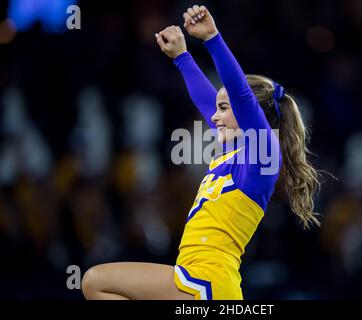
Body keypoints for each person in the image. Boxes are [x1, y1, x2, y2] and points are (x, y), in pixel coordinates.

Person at [81, 5, 319, 300]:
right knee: (96, 283)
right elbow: (208, 102)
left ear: (249, 115)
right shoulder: (233, 153)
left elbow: (241, 95)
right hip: (199, 281)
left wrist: (213, 38)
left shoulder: (263, 155)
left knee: (95, 281)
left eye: (223, 109)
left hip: (206, 282)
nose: (214, 117)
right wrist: (182, 57)